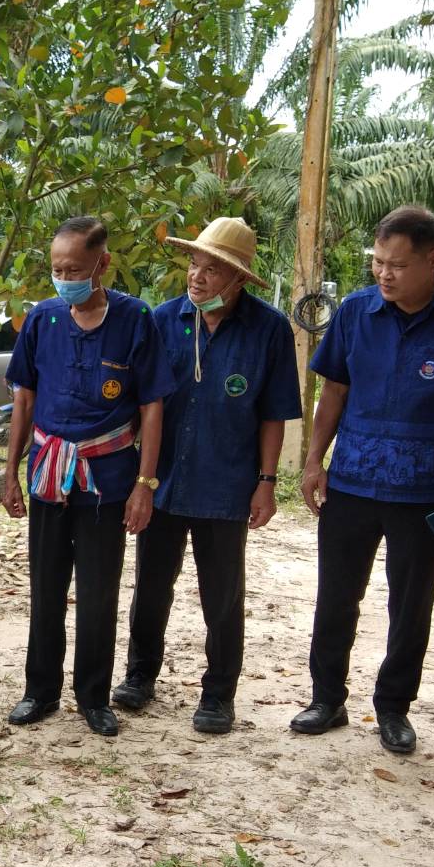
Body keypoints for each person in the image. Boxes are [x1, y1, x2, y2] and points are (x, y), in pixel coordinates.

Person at [292, 205, 434, 755]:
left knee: (411, 605)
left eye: (397, 265)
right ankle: (326, 698)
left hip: (425, 490)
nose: (384, 275)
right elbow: (334, 392)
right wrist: (315, 461)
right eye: (377, 263)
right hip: (351, 482)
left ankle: (393, 708)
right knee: (335, 597)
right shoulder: (355, 312)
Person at [113, 217, 303, 735]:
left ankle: (219, 694)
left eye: (212, 270)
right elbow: (141, 405)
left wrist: (266, 481)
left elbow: (274, 413)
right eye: (194, 265)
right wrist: (137, 480)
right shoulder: (162, 320)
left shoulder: (268, 329)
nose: (197, 277)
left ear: (239, 278)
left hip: (227, 483)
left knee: (222, 595)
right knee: (151, 586)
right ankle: (139, 676)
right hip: (162, 480)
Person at [1, 216, 174, 738]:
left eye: (74, 270)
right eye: (56, 270)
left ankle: (94, 697)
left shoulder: (136, 319)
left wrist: (144, 485)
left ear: (102, 264)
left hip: (108, 478)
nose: (63, 279)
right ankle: (40, 691)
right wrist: (10, 473)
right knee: (46, 586)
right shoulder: (42, 320)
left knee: (99, 591)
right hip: (49, 473)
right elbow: (24, 399)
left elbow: (151, 407)